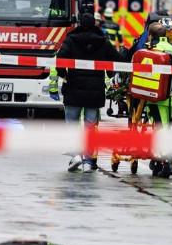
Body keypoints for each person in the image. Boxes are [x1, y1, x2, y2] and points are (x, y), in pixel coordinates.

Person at [51, 13, 123, 173]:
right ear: (95, 24)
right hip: (94, 91)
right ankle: (89, 162)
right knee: (90, 128)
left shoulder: (71, 39)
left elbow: (60, 59)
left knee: (71, 124)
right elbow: (116, 58)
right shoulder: (103, 41)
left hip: (73, 89)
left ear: (80, 24)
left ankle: (75, 155)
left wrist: (64, 75)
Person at [142, 21, 172, 177]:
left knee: (160, 128)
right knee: (168, 128)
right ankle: (162, 159)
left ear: (151, 35)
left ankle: (165, 162)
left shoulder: (148, 49)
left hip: (153, 97)